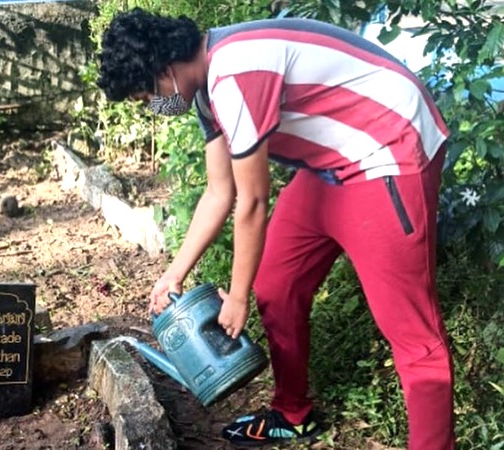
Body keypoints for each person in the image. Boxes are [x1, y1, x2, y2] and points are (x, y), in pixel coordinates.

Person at [96, 7, 455, 450]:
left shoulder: (235, 72)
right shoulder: (208, 88)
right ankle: (293, 413)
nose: (153, 106)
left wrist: (237, 296)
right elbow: (219, 193)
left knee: (411, 331)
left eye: (146, 96)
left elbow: (253, 202)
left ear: (165, 71)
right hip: (332, 164)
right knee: (277, 286)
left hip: (389, 150)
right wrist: (174, 273)